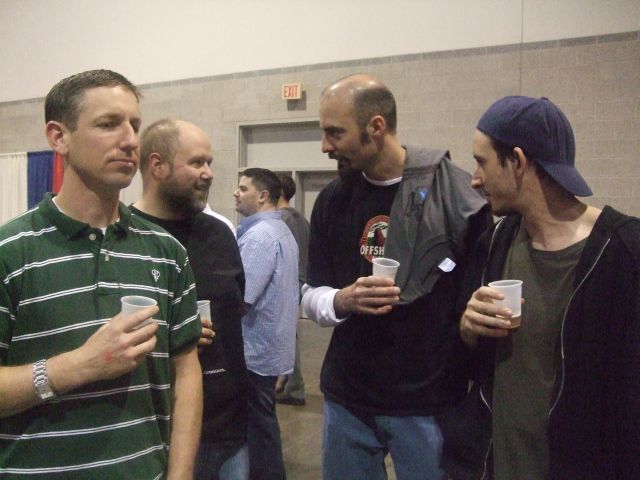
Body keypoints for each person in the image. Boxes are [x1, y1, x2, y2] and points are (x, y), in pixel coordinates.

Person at [0, 70, 202, 479]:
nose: (130, 140)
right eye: (109, 124)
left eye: (134, 125)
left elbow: (185, 373)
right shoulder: (11, 252)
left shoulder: (166, 252)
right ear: (59, 137)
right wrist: (80, 366)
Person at [301, 74, 490, 480]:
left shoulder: (454, 197)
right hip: (348, 400)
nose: (325, 146)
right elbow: (309, 292)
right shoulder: (333, 200)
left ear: (376, 127)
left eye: (335, 132)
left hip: (429, 404)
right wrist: (342, 300)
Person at [443, 96, 640, 480]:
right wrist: (467, 330)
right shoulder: (494, 244)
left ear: (517, 161)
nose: (475, 178)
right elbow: (466, 369)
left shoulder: (624, 254)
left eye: (482, 162)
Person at [132, 118, 250, 480]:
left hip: (230, 430)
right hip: (162, 433)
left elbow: (236, 309)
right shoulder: (128, 239)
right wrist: (174, 338)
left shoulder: (220, 233)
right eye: (197, 162)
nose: (209, 173)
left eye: (209, 163)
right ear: (157, 166)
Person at [233, 167, 299, 480]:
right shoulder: (280, 230)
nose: (236, 193)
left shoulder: (260, 238)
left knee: (260, 428)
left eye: (243, 188)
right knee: (262, 421)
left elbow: (242, 298)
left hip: (255, 350)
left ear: (262, 196)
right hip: (271, 346)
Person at [274, 172, 310, 406]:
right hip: (300, 280)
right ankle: (288, 383)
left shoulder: (281, 220)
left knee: (285, 334)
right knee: (288, 333)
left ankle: (293, 387)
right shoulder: (301, 219)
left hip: (287, 282)